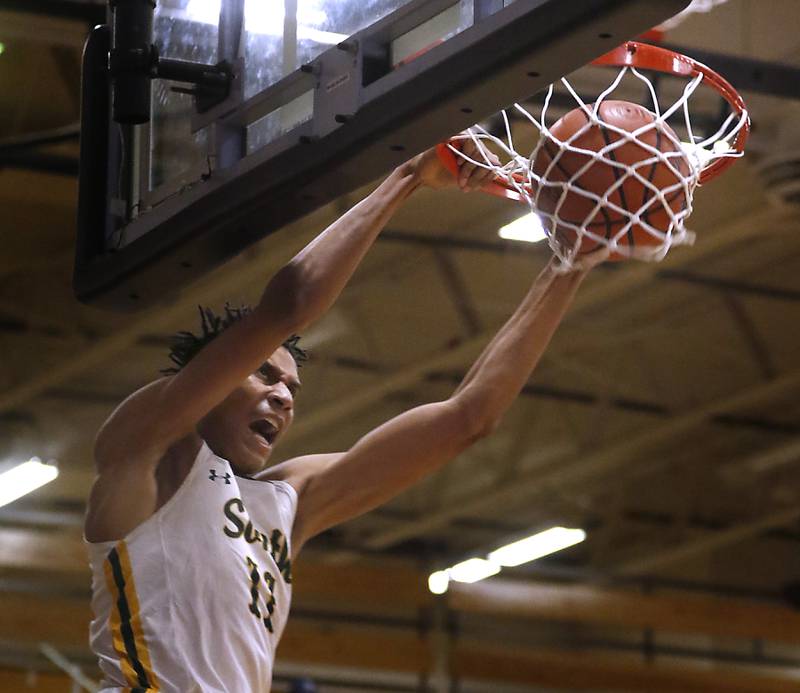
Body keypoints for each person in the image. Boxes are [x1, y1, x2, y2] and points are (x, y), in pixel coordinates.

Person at [84, 140, 605, 692]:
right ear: (209, 375)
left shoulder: (290, 500)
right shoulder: (149, 447)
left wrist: (572, 260)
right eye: (265, 374)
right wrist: (409, 175)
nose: (284, 397)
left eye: (292, 388)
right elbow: (290, 305)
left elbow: (469, 418)